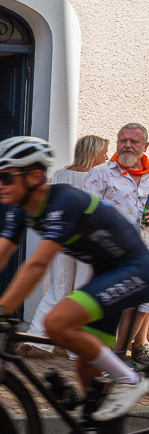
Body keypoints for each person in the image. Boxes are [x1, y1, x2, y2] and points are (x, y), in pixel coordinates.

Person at [0, 136, 149, 434]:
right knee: (86, 366)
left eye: (5, 177)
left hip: (133, 269)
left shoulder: (63, 202)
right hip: (106, 271)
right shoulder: (22, 209)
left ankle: (130, 380)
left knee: (56, 322)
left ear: (33, 177)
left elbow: (36, 265)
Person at [21, 135, 109, 357]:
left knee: (57, 289)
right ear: (93, 153)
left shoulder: (61, 174)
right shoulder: (101, 176)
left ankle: (36, 339)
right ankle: (77, 349)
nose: (107, 157)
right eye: (104, 152)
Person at [83, 123, 149, 363]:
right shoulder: (101, 173)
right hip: (114, 251)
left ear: (145, 146)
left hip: (146, 249)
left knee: (142, 304)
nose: (127, 146)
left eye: (134, 142)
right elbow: (88, 212)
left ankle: (120, 355)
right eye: (123, 141)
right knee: (115, 303)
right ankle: (103, 355)